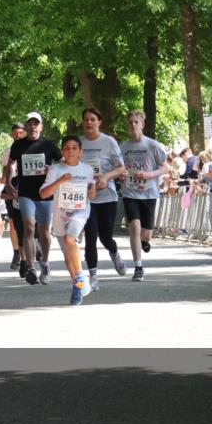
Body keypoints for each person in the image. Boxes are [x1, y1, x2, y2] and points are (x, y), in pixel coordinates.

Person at [1, 112, 63, 285]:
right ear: (26, 127)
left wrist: (53, 171)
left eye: (37, 123)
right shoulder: (18, 145)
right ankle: (31, 267)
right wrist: (7, 183)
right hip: (25, 193)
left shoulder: (49, 145)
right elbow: (9, 165)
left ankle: (45, 263)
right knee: (29, 227)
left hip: (45, 193)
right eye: (30, 123)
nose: (33, 126)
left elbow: (64, 162)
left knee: (44, 232)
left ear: (41, 127)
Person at [40, 136, 97, 305]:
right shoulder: (56, 169)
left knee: (70, 239)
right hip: (60, 214)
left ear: (80, 151)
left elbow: (91, 190)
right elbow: (43, 194)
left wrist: (92, 191)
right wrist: (60, 181)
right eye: (66, 148)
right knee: (68, 255)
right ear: (62, 151)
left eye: (74, 148)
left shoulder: (87, 169)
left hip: (80, 212)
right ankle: (77, 284)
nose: (70, 151)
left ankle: (80, 275)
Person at [118, 110, 170, 281]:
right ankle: (138, 267)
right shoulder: (123, 147)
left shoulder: (152, 145)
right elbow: (120, 169)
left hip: (148, 192)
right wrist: (122, 175)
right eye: (130, 122)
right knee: (134, 226)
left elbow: (165, 167)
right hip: (130, 192)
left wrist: (149, 175)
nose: (133, 125)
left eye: (136, 122)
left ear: (142, 124)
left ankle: (145, 242)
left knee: (146, 234)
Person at [80, 107, 127, 292]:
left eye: (92, 119)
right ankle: (93, 276)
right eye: (86, 120)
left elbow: (121, 167)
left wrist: (106, 177)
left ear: (99, 122)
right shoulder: (79, 143)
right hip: (86, 198)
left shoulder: (109, 142)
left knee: (105, 237)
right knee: (90, 236)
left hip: (107, 197)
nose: (89, 123)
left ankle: (114, 253)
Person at [1, 123, 27, 273]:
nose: (17, 135)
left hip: (28, 185)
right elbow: (4, 171)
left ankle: (32, 244)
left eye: (20, 133)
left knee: (30, 218)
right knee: (13, 221)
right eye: (15, 133)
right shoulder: (8, 151)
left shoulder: (32, 148)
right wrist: (7, 184)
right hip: (13, 185)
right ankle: (17, 252)